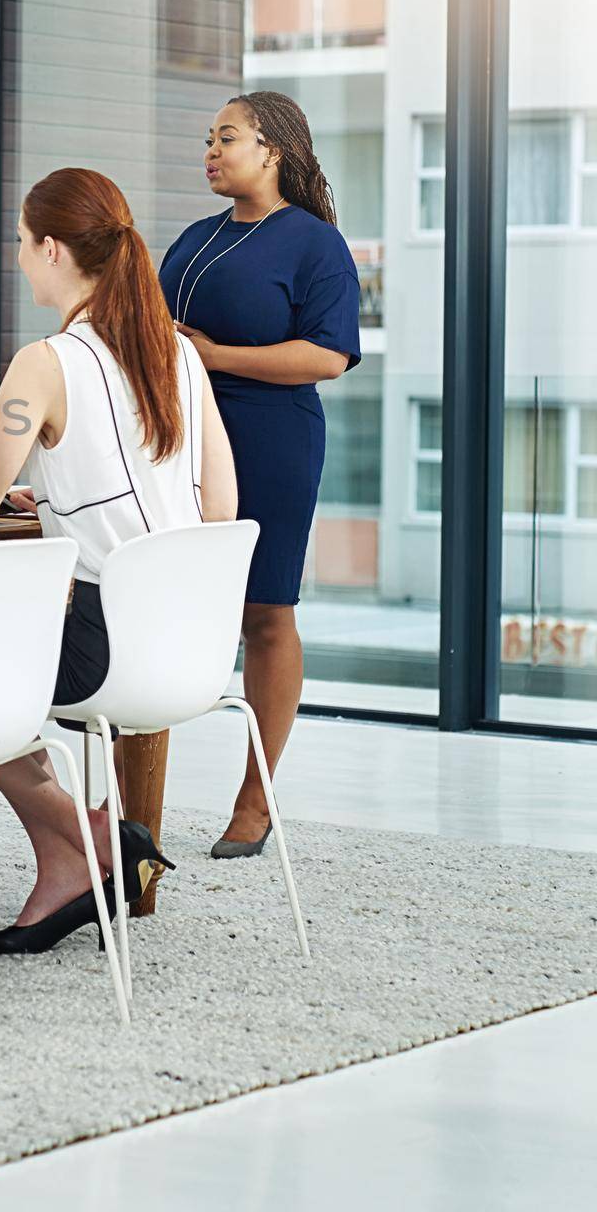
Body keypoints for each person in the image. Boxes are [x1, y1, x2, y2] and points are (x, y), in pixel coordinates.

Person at [0, 168, 238, 953]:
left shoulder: (45, 362)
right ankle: (86, 851)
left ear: (53, 248)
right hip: (191, 651)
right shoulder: (181, 358)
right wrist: (56, 497)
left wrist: (28, 497)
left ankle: (80, 841)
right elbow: (220, 510)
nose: (21, 258)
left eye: (23, 243)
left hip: (105, 652)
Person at [158, 91, 361, 859]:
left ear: (273, 150)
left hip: (269, 440)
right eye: (208, 139)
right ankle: (133, 794)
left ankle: (255, 797)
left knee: (264, 615)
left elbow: (328, 356)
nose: (211, 151)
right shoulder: (196, 236)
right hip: (180, 439)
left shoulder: (313, 244)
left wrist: (215, 357)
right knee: (164, 607)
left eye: (228, 138)